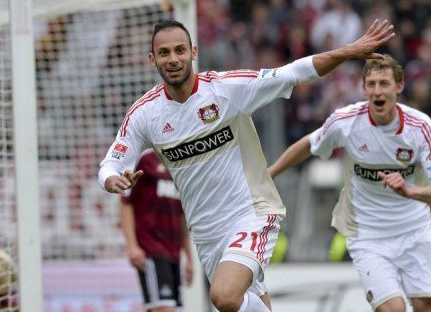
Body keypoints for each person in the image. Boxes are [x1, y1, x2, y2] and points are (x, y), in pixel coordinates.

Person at [98, 18, 394, 312]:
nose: (173, 59)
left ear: (194, 52)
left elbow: (292, 74)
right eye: (164, 53)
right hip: (206, 232)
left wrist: (347, 51)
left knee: (224, 296)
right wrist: (111, 179)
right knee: (240, 303)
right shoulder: (145, 114)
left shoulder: (226, 89)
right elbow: (112, 161)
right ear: (153, 59)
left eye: (180, 50)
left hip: (250, 212)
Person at [269, 54, 431, 312]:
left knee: (425, 306)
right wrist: (270, 173)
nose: (377, 91)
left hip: (414, 231)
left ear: (399, 86)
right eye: (372, 84)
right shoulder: (346, 122)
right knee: (394, 309)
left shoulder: (420, 127)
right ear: (363, 89)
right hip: (368, 235)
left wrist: (410, 190)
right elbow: (309, 144)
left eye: (384, 83)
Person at [120, 149, 193, 312]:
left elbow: (182, 217)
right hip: (151, 248)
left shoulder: (182, 165)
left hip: (174, 253)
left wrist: (189, 258)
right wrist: (131, 246)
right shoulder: (146, 160)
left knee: (172, 308)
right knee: (163, 308)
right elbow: (126, 203)